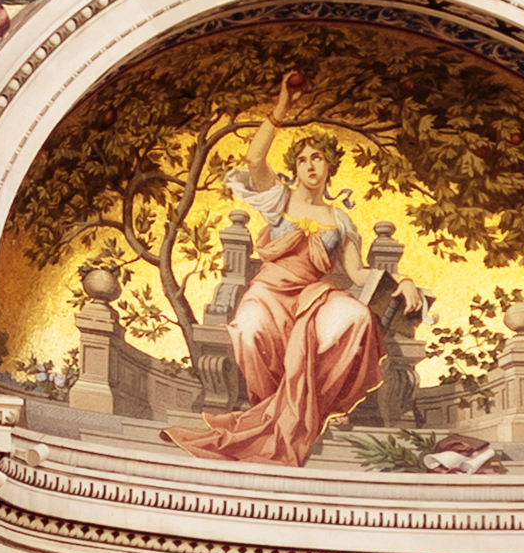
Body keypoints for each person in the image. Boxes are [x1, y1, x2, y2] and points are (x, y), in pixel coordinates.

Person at [161, 120, 385, 467]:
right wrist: (278, 113)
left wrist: (403, 282)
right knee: (250, 331)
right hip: (268, 292)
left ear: (330, 166)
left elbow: (357, 273)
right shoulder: (279, 198)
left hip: (313, 295)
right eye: (303, 159)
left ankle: (322, 407)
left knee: (356, 318)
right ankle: (268, 408)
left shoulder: (340, 220)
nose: (310, 165)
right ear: (295, 168)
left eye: (318, 158)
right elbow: (254, 160)